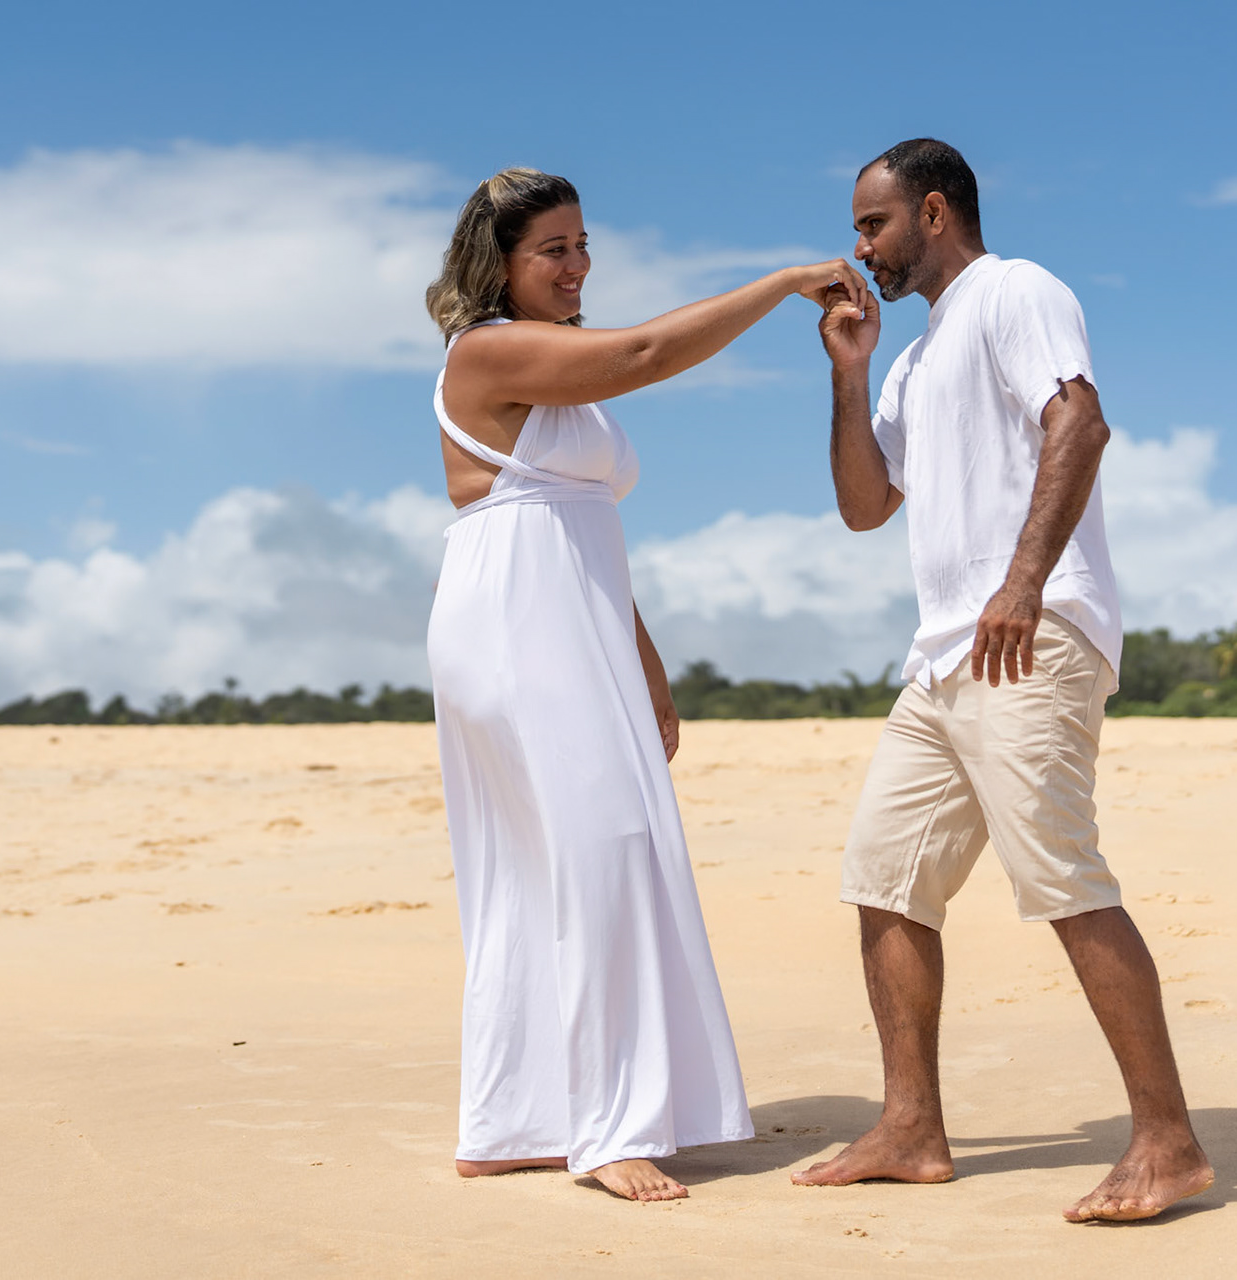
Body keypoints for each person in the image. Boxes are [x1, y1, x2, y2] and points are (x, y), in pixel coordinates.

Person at [790, 139, 1215, 1222]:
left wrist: (1023, 583)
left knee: (1062, 873)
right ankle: (910, 1126)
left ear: (934, 211)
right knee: (885, 876)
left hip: (1029, 632)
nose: (860, 247)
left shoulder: (1013, 291)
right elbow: (864, 503)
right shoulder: (913, 361)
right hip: (939, 656)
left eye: (873, 224)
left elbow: (1080, 417)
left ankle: (1168, 1142)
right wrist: (848, 368)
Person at [424, 168, 866, 1202]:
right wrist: (783, 283)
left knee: (556, 862)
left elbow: (574, 513)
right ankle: (609, 1127)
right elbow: (644, 353)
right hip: (513, 617)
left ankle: (516, 1116)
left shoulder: (545, 358)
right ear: (500, 266)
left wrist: (645, 658)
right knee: (603, 846)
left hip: (570, 608)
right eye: (555, 251)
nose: (579, 267)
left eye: (584, 245)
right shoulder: (488, 350)